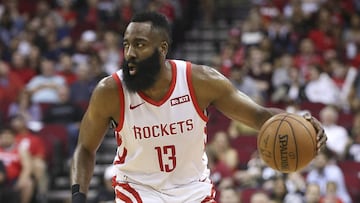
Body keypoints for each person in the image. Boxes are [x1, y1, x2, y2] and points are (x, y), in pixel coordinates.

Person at [70, 11, 327, 203]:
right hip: (138, 190)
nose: (130, 53)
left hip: (194, 191)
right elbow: (85, 147)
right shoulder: (111, 91)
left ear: (162, 49)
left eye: (139, 44)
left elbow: (260, 116)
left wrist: (301, 123)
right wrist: (78, 196)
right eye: (126, 44)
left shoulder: (200, 81)